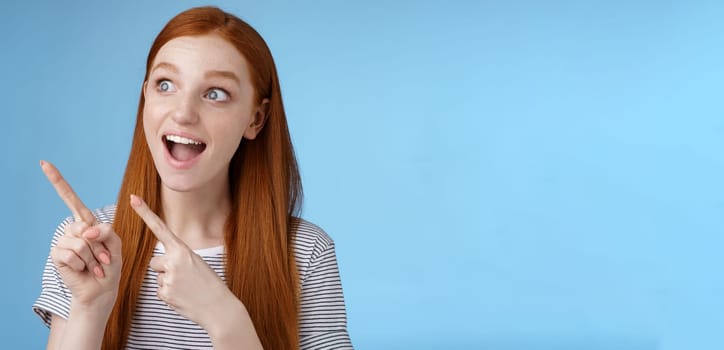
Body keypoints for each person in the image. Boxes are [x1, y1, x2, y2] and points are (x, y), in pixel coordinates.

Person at [32, 6, 353, 350]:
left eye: (215, 93)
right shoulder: (87, 246)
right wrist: (89, 310)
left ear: (255, 120)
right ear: (146, 100)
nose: (183, 113)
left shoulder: (305, 252)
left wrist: (224, 318)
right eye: (165, 85)